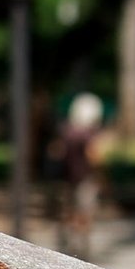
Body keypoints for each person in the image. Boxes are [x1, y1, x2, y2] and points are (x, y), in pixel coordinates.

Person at [57, 91, 106, 257]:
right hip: (85, 178)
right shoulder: (87, 135)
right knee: (85, 212)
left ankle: (69, 241)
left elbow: (58, 152)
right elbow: (94, 156)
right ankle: (81, 246)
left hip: (68, 178)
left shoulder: (67, 131)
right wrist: (102, 176)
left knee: (70, 211)